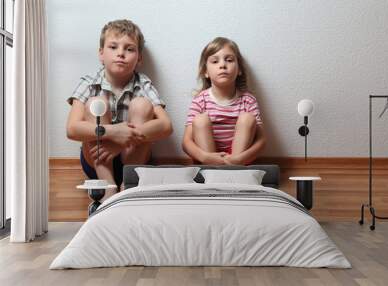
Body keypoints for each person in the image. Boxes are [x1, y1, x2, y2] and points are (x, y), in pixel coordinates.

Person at [66, 19, 173, 198]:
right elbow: (72, 129)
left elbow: (166, 126)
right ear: (101, 53)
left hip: (135, 160)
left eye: (129, 49)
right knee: (95, 102)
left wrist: (125, 139)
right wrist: (112, 132)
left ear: (139, 58)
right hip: (96, 159)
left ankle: (127, 187)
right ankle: (108, 189)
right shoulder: (88, 82)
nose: (121, 53)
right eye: (113, 47)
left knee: (141, 104)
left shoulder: (143, 84)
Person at [182, 37, 266, 165]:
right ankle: (212, 171)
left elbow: (262, 140)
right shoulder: (200, 100)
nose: (222, 65)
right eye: (215, 61)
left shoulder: (248, 101)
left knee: (247, 118)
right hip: (208, 158)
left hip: (238, 158)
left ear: (239, 70)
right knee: (200, 120)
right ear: (206, 72)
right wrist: (205, 157)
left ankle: (234, 171)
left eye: (229, 60)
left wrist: (240, 159)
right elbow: (186, 142)